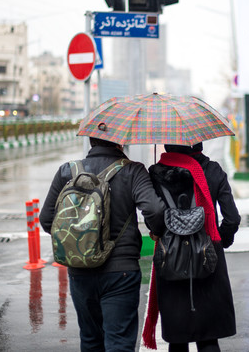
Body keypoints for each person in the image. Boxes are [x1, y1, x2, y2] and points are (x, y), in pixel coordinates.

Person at [40, 137, 167, 352]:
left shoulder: (68, 171)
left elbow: (46, 219)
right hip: (121, 271)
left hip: (80, 269)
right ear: (120, 141)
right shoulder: (133, 171)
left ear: (91, 140)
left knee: (90, 340)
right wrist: (156, 230)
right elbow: (154, 210)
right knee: (119, 342)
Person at [143, 143, 241, 352]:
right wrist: (218, 242)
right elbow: (232, 218)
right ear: (199, 142)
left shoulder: (156, 173)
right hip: (209, 258)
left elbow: (152, 213)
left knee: (177, 340)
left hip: (170, 258)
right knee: (208, 339)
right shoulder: (213, 171)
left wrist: (159, 231)